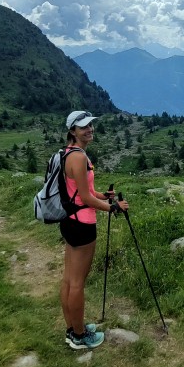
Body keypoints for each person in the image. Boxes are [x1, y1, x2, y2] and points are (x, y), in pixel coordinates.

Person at [59, 110, 128, 350]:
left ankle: (72, 328)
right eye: (83, 126)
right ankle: (79, 336)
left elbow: (78, 192)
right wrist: (113, 206)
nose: (89, 129)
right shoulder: (78, 157)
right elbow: (86, 199)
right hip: (82, 224)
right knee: (77, 282)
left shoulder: (67, 154)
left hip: (69, 220)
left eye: (90, 125)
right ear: (72, 131)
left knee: (69, 279)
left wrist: (102, 195)